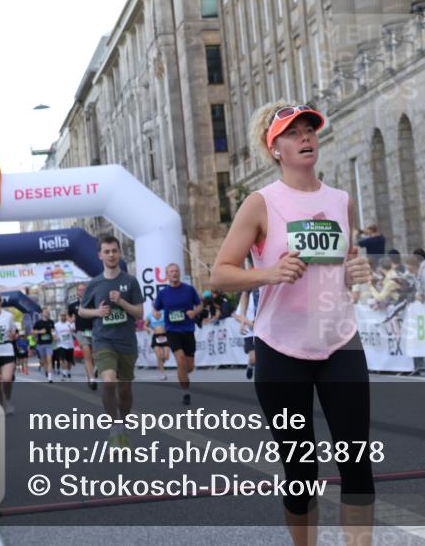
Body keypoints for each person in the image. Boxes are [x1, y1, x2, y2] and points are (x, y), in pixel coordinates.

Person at [210, 102, 375, 546]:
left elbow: (341, 266)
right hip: (281, 348)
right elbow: (220, 274)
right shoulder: (261, 203)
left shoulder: (341, 201)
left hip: (339, 340)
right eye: (293, 133)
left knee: (356, 462)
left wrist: (353, 272)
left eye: (310, 130)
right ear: (275, 148)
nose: (305, 138)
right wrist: (268, 273)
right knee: (301, 470)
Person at [77, 236, 145, 446]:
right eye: (107, 251)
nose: (111, 255)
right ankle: (114, 426)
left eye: (114, 251)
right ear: (100, 255)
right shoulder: (94, 283)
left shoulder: (130, 281)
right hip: (103, 340)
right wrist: (98, 311)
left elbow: (140, 313)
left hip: (126, 342)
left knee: (124, 390)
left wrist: (122, 302)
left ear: (119, 253)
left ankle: (123, 423)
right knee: (108, 381)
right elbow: (81, 311)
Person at [152, 263, 203, 404]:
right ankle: (185, 392)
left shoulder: (189, 290)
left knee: (189, 367)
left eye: (176, 271)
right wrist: (155, 313)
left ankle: (183, 374)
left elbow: (199, 305)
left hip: (188, 330)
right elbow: (155, 308)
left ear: (179, 273)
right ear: (167, 275)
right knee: (180, 359)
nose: (174, 273)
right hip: (172, 331)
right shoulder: (163, 293)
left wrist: (194, 312)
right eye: (171, 271)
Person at [68, 283, 97, 390]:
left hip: (94, 330)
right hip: (81, 332)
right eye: (80, 290)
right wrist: (71, 322)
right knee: (87, 355)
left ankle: (90, 374)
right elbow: (69, 316)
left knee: (95, 356)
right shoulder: (73, 305)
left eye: (84, 289)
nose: (82, 291)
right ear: (77, 292)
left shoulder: (93, 301)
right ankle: (92, 379)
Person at [235, 286, 260, 380]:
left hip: (262, 332)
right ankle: (250, 365)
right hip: (250, 333)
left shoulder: (262, 297)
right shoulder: (246, 299)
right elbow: (237, 315)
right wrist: (246, 322)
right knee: (253, 359)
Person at [144, 306, 171, 381]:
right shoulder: (149, 315)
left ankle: (161, 362)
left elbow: (169, 320)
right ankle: (163, 374)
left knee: (166, 357)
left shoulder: (164, 312)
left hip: (165, 336)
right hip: (156, 337)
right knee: (159, 355)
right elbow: (144, 325)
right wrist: (148, 329)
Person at [32, 308, 56, 383]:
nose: (46, 313)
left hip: (49, 344)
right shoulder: (38, 323)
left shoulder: (51, 322)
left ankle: (50, 377)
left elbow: (53, 331)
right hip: (40, 344)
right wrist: (40, 331)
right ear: (42, 314)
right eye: (45, 312)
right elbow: (32, 331)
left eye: (47, 312)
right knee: (44, 361)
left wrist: (54, 336)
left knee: (49, 360)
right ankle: (46, 371)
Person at [54, 313, 75, 381]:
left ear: (66, 316)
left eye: (64, 315)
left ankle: (68, 372)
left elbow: (74, 330)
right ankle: (64, 373)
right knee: (63, 359)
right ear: (60, 316)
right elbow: (53, 333)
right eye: (62, 315)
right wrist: (55, 337)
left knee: (69, 361)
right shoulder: (56, 325)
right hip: (61, 345)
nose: (63, 317)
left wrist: (71, 327)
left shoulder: (70, 323)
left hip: (70, 345)